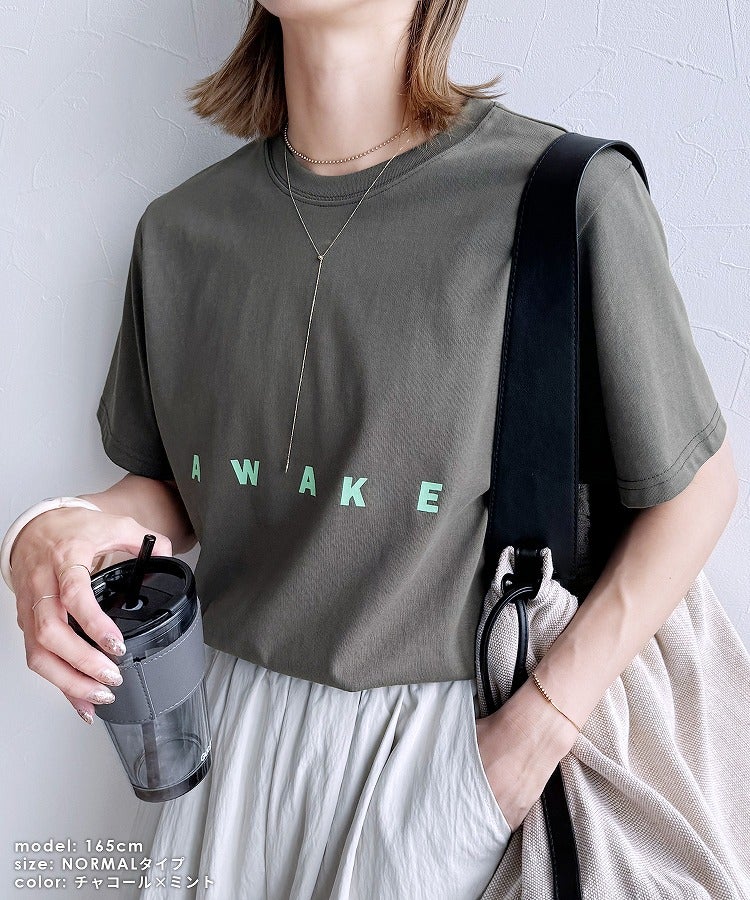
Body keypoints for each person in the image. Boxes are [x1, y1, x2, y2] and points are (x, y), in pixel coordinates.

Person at [4, 1, 738, 898]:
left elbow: (694, 492)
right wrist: (48, 530)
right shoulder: (182, 232)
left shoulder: (563, 199)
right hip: (229, 756)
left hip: (453, 754)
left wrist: (530, 737)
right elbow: (181, 492)